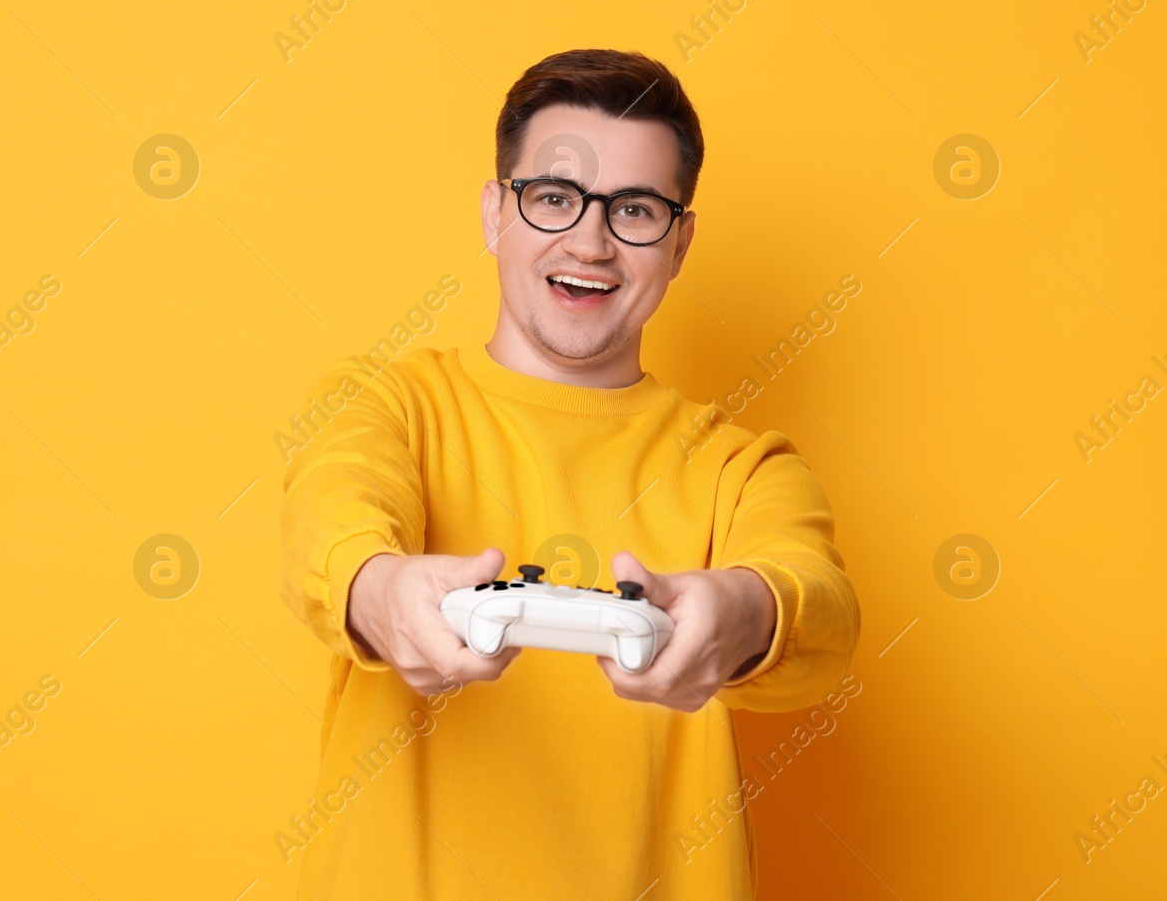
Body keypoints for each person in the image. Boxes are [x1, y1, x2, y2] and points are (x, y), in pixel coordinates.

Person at [278, 48, 860, 900]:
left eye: (634, 209)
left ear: (680, 241)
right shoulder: (385, 403)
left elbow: (821, 609)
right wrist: (378, 590)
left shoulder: (743, 468)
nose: (589, 241)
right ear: (493, 213)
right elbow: (332, 513)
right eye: (553, 197)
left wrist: (741, 611)